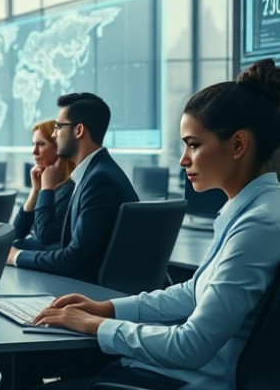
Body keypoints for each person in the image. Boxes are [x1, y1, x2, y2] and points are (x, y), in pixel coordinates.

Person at [33, 59, 280, 389]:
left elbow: (190, 345)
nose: (183, 159)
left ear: (237, 145)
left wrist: (94, 324)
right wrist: (107, 308)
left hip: (186, 381)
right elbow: (194, 292)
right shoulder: (250, 209)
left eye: (193, 144)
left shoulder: (258, 225)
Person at [7, 93, 138, 283]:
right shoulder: (93, 174)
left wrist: (16, 256)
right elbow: (62, 243)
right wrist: (18, 248)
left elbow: (72, 259)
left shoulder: (99, 180)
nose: (54, 134)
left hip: (89, 291)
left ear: (78, 131)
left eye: (59, 127)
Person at [12, 120, 76, 249]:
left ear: (59, 148)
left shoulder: (70, 189)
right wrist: (35, 190)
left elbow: (46, 237)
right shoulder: (48, 186)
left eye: (41, 144)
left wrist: (46, 189)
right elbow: (17, 233)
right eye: (33, 144)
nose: (34, 152)